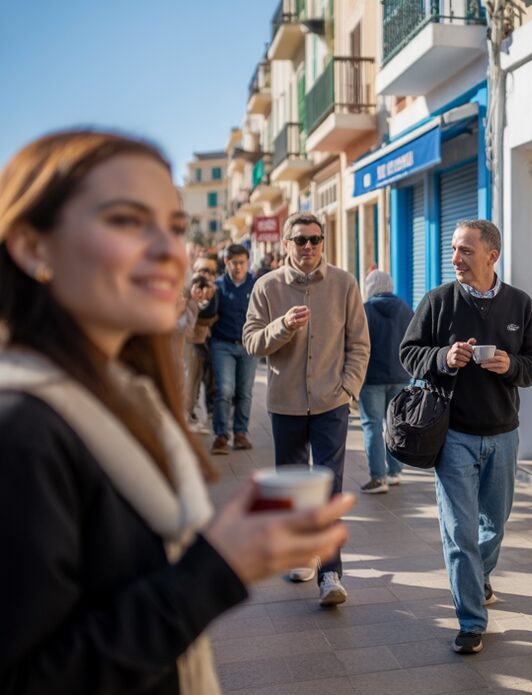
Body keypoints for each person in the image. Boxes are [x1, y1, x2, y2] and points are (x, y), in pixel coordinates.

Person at [0, 129, 354, 694]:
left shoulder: (123, 397)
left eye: (175, 227)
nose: (169, 250)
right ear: (32, 246)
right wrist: (218, 566)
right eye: (125, 220)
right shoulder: (21, 427)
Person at [399, 219, 532, 655]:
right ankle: (470, 620)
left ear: (491, 256)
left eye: (465, 250)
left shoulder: (520, 304)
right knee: (459, 531)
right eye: (453, 249)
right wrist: (443, 356)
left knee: (492, 525)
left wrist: (511, 367)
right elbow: (407, 352)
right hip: (454, 437)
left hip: (503, 435)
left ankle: (479, 577)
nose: (455, 258)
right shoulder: (438, 301)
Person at [244, 211, 370, 607]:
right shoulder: (266, 287)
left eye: (316, 239)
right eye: (301, 240)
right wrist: (281, 326)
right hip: (286, 406)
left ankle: (330, 573)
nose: (310, 247)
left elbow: (359, 344)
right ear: (286, 244)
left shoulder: (344, 283)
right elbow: (251, 342)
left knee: (329, 488)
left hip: (331, 403)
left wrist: (348, 388)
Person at [359, 269, 414, 494]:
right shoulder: (405, 309)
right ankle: (395, 472)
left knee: (372, 425)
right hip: (400, 377)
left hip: (371, 378)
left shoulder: (365, 310)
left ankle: (378, 478)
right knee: (395, 424)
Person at [209, 243, 257, 454]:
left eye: (241, 263)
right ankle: (221, 435)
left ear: (248, 263)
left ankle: (240, 433)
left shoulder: (256, 285)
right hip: (223, 345)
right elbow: (206, 314)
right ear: (226, 263)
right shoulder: (217, 286)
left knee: (245, 392)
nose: (238, 267)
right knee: (225, 390)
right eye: (233, 263)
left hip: (249, 347)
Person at [182, 257, 218, 427]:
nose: (204, 275)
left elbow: (210, 315)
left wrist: (211, 297)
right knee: (189, 380)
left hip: (204, 342)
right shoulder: (183, 292)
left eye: (209, 272)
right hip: (186, 344)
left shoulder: (214, 291)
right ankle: (186, 412)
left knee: (199, 379)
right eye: (202, 271)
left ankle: (193, 411)